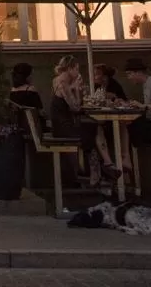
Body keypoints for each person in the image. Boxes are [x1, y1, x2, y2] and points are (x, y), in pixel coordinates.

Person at [50, 55, 118, 188]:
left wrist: (76, 88)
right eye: (76, 69)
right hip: (63, 128)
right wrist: (76, 89)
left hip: (62, 125)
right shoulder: (62, 83)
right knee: (93, 130)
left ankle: (104, 167)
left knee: (94, 127)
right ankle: (102, 169)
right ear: (70, 68)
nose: (78, 72)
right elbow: (75, 107)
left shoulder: (57, 80)